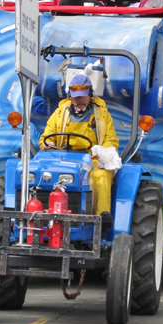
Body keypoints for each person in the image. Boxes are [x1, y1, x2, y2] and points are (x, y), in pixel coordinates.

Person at [39, 74, 119, 230]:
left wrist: (102, 150)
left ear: (90, 95)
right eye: (76, 98)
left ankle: (101, 219)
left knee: (101, 175)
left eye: (83, 97)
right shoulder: (60, 114)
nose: (80, 100)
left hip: (92, 160)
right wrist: (47, 143)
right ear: (70, 97)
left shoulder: (102, 115)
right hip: (63, 158)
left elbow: (112, 140)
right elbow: (45, 137)